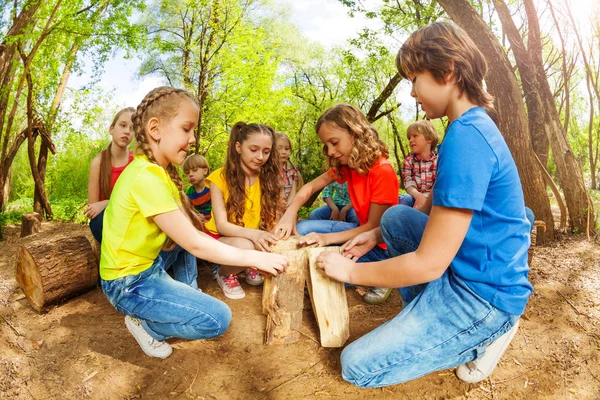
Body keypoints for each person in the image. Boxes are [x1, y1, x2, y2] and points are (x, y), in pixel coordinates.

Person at [315, 21, 533, 387]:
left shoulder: (467, 138)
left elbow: (430, 263)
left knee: (356, 366)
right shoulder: (464, 128)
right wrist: (373, 234)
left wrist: (349, 271)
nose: (413, 92)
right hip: (464, 268)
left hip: (484, 296)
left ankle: (484, 335)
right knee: (397, 218)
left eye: (414, 79)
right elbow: (433, 207)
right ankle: (427, 321)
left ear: (446, 72)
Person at [99, 87, 288, 359]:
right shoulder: (146, 177)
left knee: (185, 237)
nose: (193, 139)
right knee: (217, 319)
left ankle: (186, 290)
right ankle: (147, 325)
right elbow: (195, 244)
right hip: (127, 282)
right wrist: (254, 258)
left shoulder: (158, 171)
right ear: (155, 129)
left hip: (149, 265)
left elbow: (189, 234)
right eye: (186, 129)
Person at [274, 104, 399, 289]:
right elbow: (310, 187)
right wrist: (290, 212)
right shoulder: (349, 166)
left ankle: (381, 277)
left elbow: (373, 228)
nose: (331, 151)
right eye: (326, 145)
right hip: (358, 230)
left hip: (378, 247)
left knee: (319, 272)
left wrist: (325, 239)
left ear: (355, 134)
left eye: (334, 142)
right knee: (304, 228)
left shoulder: (382, 171)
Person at [204, 122, 283, 299]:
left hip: (249, 236)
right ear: (238, 147)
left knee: (270, 242)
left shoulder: (267, 179)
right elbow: (222, 225)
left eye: (266, 151)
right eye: (254, 149)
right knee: (248, 245)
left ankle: (248, 264)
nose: (260, 156)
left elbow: (272, 220)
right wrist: (255, 235)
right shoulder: (219, 178)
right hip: (219, 238)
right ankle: (224, 273)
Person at [84, 107, 135, 243]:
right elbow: (93, 209)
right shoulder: (98, 163)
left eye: (132, 128)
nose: (127, 131)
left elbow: (136, 200)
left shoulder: (136, 161)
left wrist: (107, 202)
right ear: (112, 129)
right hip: (107, 220)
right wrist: (106, 207)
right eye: (123, 125)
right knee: (98, 223)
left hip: (130, 217)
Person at [399, 120, 440, 208]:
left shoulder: (438, 160)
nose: (411, 140)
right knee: (404, 199)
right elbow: (408, 182)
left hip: (433, 200)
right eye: (409, 138)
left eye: (415, 136)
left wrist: (426, 201)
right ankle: (405, 219)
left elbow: (439, 184)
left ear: (429, 138)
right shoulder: (409, 161)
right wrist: (418, 196)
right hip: (415, 197)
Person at [183, 154, 212, 222]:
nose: (190, 174)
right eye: (187, 173)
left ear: (205, 171)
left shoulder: (213, 187)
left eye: (195, 170)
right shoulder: (189, 193)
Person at [275, 132, 300, 208]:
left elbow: (293, 192)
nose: (284, 152)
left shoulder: (292, 171)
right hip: (273, 207)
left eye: (287, 149)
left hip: (288, 206)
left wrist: (288, 206)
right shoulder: (267, 171)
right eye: (279, 148)